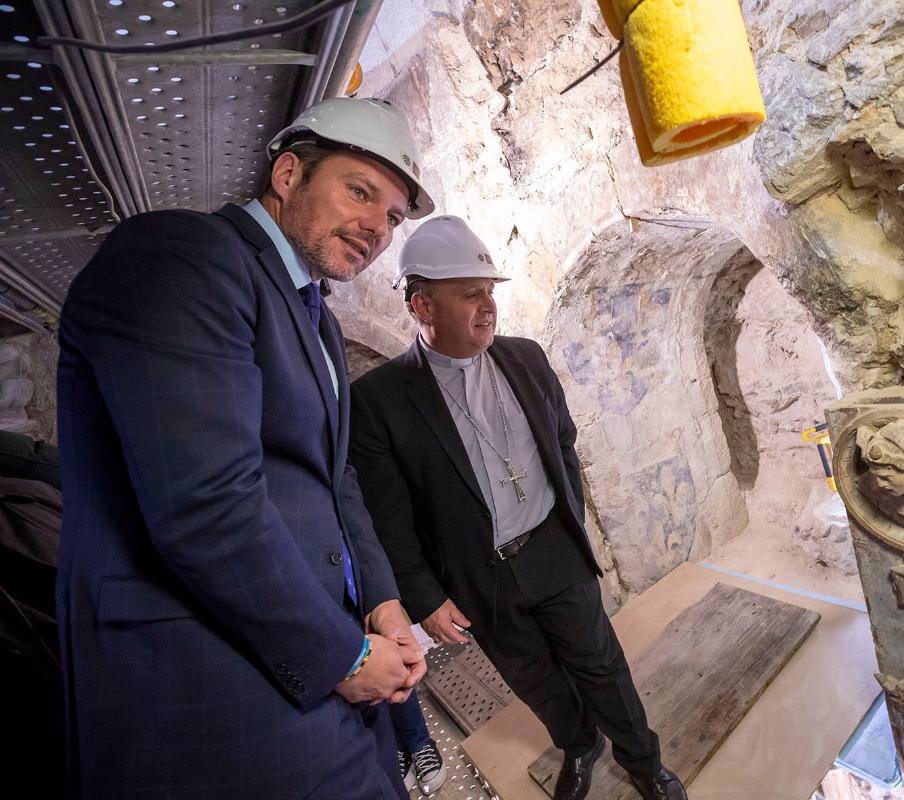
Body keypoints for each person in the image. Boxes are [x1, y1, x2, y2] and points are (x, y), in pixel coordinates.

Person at [56, 97, 435, 799]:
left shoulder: (314, 318)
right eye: (359, 191)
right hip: (214, 677)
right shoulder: (181, 254)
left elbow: (332, 477)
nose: (376, 229)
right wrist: (345, 656)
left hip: (307, 656)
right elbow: (204, 504)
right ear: (288, 174)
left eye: (391, 216)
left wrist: (382, 602)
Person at [349, 216, 687, 800]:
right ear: (422, 306)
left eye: (490, 291)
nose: (487, 306)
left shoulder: (526, 358)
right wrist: (425, 597)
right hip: (480, 579)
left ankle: (644, 761)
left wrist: (569, 522)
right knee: (534, 680)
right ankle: (581, 745)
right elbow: (388, 518)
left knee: (600, 665)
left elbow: (562, 442)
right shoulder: (379, 401)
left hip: (552, 549)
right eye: (470, 294)